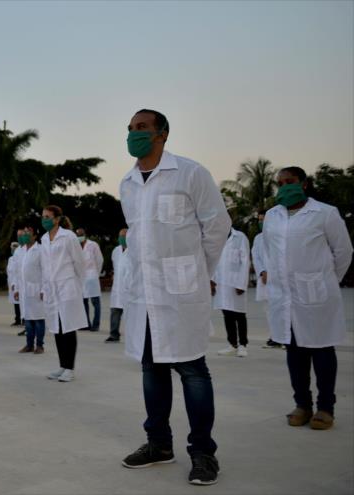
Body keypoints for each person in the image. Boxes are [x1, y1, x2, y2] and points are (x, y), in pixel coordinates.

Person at [119, 109, 230, 486]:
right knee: (152, 369)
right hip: (145, 296)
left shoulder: (190, 173)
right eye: (130, 128)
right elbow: (138, 239)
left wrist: (198, 272)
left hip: (182, 294)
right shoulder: (128, 183)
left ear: (162, 134)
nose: (134, 134)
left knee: (192, 371)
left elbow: (218, 226)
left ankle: (203, 452)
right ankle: (158, 444)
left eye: (142, 127)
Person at [262, 166, 352, 431]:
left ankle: (325, 408)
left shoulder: (325, 213)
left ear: (304, 183)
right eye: (280, 183)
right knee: (295, 351)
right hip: (285, 297)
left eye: (290, 181)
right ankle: (302, 405)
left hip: (317, 295)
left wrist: (326, 280)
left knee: (322, 350)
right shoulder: (272, 215)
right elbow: (268, 250)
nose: (284, 186)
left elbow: (343, 251)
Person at [41, 206, 88, 383]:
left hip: (67, 286)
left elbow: (79, 262)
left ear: (57, 219)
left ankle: (70, 369)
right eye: (43, 216)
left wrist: (76, 283)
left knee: (68, 327)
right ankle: (62, 365)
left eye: (47, 216)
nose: (44, 219)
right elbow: (45, 266)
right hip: (52, 289)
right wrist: (44, 288)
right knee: (57, 327)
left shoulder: (68, 236)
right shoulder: (44, 238)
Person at [212, 226, 251, 357]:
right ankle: (232, 344)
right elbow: (213, 260)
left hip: (235, 283)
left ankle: (243, 345)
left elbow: (245, 261)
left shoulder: (240, 237)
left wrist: (241, 283)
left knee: (239, 314)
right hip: (221, 283)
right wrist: (211, 280)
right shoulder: (216, 238)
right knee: (227, 314)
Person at [251, 211, 283, 349]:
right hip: (264, 279)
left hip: (280, 278)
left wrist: (273, 272)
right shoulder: (258, 238)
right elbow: (256, 256)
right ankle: (274, 336)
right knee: (269, 309)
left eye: (263, 220)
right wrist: (262, 271)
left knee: (283, 308)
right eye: (259, 220)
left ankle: (286, 337)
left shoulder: (280, 235)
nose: (261, 222)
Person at [16, 225, 46, 354]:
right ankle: (29, 345)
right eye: (24, 232)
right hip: (25, 291)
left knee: (38, 318)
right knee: (28, 319)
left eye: (28, 232)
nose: (25, 234)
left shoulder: (40, 250)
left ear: (35, 236)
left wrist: (44, 289)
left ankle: (40, 345)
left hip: (37, 290)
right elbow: (19, 272)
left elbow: (46, 271)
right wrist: (17, 288)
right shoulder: (21, 251)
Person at [76, 227, 104, 331]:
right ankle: (86, 324)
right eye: (77, 235)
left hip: (92, 277)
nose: (79, 237)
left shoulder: (93, 245)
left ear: (85, 235)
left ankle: (95, 325)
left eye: (81, 235)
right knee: (83, 302)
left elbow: (99, 260)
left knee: (95, 302)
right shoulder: (76, 246)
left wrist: (96, 273)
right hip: (82, 278)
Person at [107, 228, 130, 343]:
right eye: (120, 236)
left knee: (130, 315)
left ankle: (132, 336)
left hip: (129, 288)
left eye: (124, 236)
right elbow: (115, 267)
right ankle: (114, 334)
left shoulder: (134, 250)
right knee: (115, 312)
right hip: (117, 287)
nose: (122, 238)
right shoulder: (116, 251)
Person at [7, 236, 23, 329]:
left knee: (21, 303)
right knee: (15, 303)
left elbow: (17, 272)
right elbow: (10, 272)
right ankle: (17, 320)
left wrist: (14, 283)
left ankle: (23, 320)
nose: (13, 250)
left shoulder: (19, 258)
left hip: (17, 283)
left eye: (14, 248)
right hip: (11, 284)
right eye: (12, 248)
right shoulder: (10, 259)